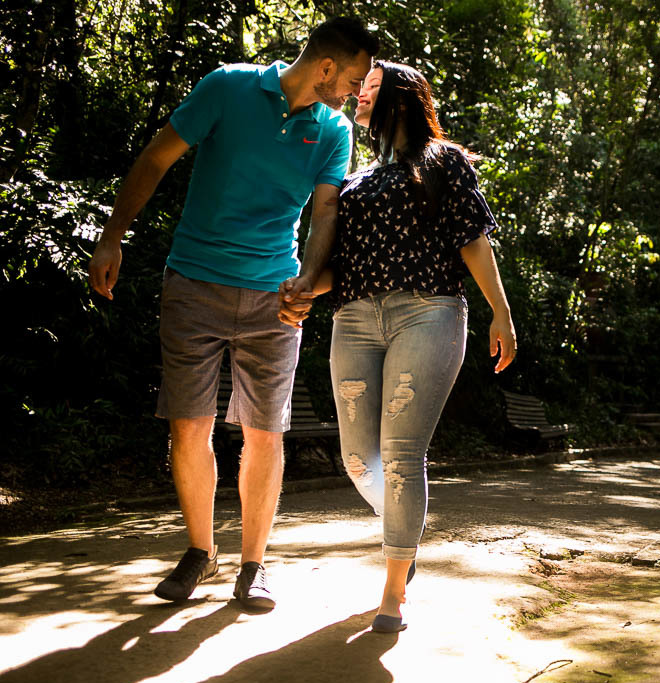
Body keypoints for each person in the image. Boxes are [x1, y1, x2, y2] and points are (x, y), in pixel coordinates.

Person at [87, 18, 379, 611]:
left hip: (274, 297)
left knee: (265, 431)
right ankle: (200, 551)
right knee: (188, 423)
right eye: (351, 78)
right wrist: (113, 236)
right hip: (193, 283)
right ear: (325, 66)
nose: (353, 92)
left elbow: (326, 215)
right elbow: (157, 157)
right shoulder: (226, 87)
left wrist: (306, 281)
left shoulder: (333, 130)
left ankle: (253, 565)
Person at [278, 61, 516, 633]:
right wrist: (305, 288)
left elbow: (473, 241)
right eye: (358, 89)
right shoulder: (356, 179)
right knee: (360, 460)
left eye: (371, 89)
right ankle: (406, 531)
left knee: (404, 456)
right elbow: (343, 266)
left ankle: (393, 593)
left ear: (403, 101)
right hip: (355, 318)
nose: (357, 96)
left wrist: (501, 312)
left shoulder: (443, 162)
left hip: (428, 312)